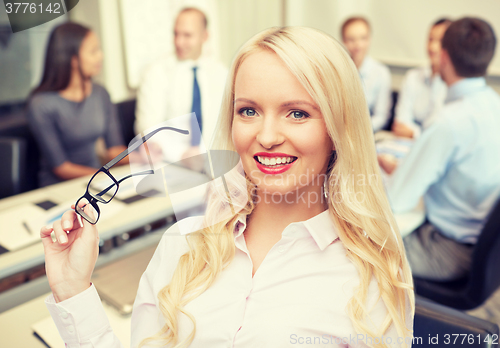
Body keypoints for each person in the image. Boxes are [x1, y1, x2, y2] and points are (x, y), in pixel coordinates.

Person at [41, 27, 414, 347]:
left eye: (297, 113)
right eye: (248, 111)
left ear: (337, 128)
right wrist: (73, 290)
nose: (265, 136)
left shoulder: (371, 271)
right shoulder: (182, 244)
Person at [380, 17, 500, 281]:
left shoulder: (449, 122)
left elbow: (398, 200)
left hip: (448, 249)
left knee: (359, 247)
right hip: (484, 248)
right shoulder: (494, 105)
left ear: (443, 57)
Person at [27, 22, 126, 187]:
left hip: (97, 181)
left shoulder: (100, 93)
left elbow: (114, 149)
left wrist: (141, 157)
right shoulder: (40, 105)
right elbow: (61, 168)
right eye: (93, 51)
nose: (100, 56)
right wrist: (105, 178)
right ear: (73, 59)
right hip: (61, 187)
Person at [134, 7, 228, 163]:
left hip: (213, 161)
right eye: (176, 34)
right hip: (169, 162)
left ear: (205, 36)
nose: (179, 42)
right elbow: (147, 127)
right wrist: (181, 156)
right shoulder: (156, 72)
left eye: (187, 35)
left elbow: (224, 124)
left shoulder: (221, 73)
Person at [392, 18, 451, 139]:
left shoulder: (452, 83)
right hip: (406, 143)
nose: (433, 47)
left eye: (440, 41)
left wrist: (414, 133)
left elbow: (440, 131)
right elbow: (400, 123)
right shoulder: (412, 77)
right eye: (430, 39)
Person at [342, 17, 392, 132]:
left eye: (363, 38)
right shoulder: (338, 70)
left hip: (367, 132)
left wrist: (359, 130)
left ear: (369, 39)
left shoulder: (381, 73)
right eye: (351, 39)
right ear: (344, 40)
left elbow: (381, 117)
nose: (357, 45)